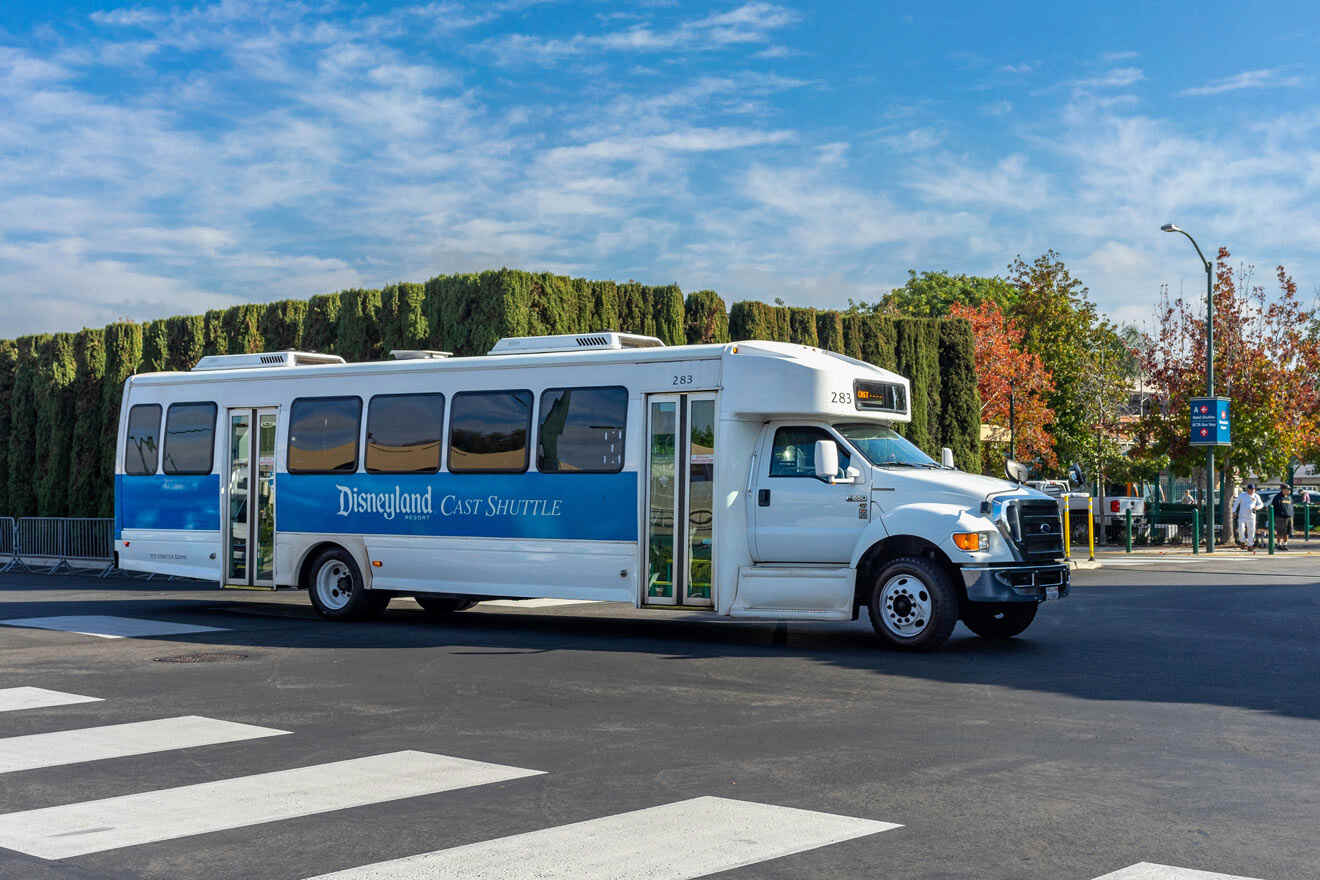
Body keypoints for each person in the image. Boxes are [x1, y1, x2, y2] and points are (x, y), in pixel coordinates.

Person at [1233, 483, 1263, 549]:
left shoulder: (1256, 496)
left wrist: (1257, 507)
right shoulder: (1242, 495)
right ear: (1247, 489)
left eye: (1254, 489)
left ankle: (1250, 545)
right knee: (1241, 529)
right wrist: (1234, 511)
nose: (1252, 491)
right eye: (1251, 489)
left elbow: (1261, 504)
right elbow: (1236, 503)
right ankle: (1242, 541)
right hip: (1242, 516)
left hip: (1251, 516)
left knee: (1251, 531)